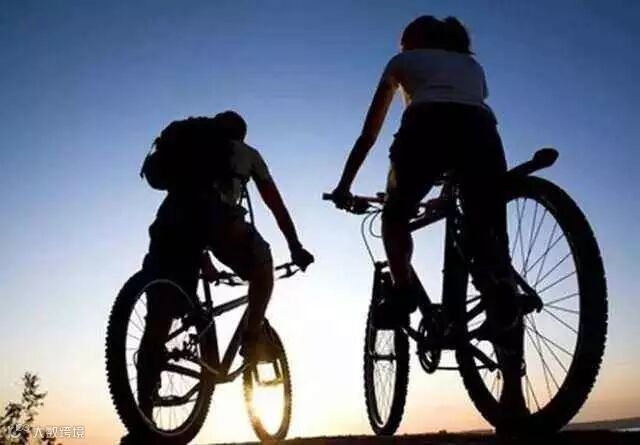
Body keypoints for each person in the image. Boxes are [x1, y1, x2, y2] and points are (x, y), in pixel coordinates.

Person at [329, 16, 524, 407]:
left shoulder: (403, 63)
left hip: (425, 129)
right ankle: (513, 393)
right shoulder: (472, 66)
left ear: (417, 40)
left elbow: (369, 134)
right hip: (483, 136)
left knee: (394, 218)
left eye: (404, 40)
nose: (400, 46)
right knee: (492, 257)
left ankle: (402, 294)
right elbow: (463, 114)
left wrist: (344, 186)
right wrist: (449, 189)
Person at [137, 110, 313, 416]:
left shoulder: (189, 150)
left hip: (169, 223)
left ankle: (143, 418)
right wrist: (295, 247)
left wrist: (202, 258)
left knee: (158, 321)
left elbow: (190, 218)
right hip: (218, 222)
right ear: (241, 135)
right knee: (263, 265)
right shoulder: (247, 153)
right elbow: (275, 204)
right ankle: (252, 337)